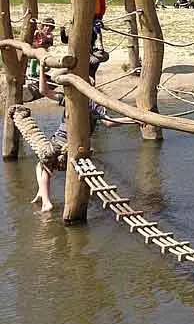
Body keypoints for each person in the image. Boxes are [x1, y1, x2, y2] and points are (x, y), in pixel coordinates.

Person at [31, 51, 127, 212]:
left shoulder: (71, 98)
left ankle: (46, 200)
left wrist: (41, 68)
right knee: (44, 164)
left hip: (62, 142)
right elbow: (109, 123)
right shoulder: (95, 103)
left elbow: (44, 91)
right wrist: (133, 120)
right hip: (80, 145)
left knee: (43, 163)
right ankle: (42, 193)